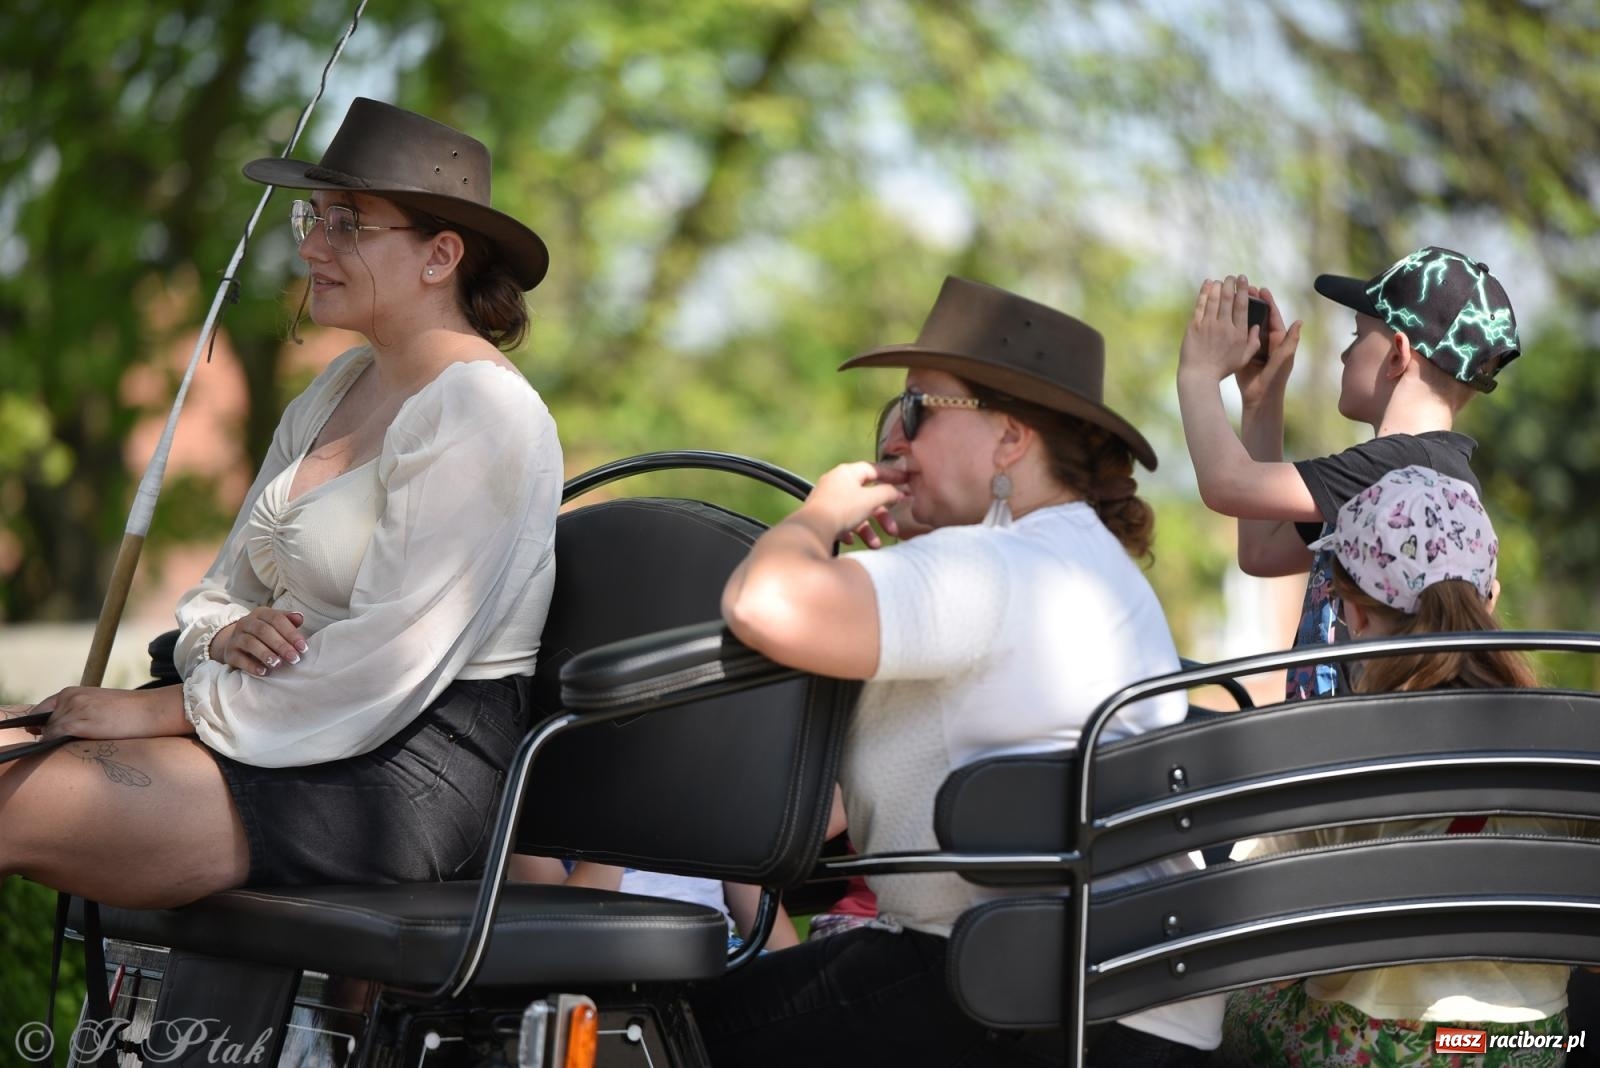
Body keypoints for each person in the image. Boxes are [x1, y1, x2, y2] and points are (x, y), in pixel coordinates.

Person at [0, 97, 561, 905]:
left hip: (397, 770)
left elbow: (387, 659)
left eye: (348, 224)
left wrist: (160, 711)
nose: (309, 247)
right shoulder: (338, 387)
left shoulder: (484, 412)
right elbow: (217, 597)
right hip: (270, 723)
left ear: (440, 255)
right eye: (314, 217)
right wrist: (226, 634)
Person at [690, 276, 1225, 1066]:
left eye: (917, 410)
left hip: (1009, 987)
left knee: (677, 1033)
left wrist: (817, 515)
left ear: (1010, 440)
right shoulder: (1085, 562)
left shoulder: (991, 567)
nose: (895, 440)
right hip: (1125, 996)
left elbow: (764, 604)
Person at [1218, 465, 1588, 1068]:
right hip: (1528, 1046)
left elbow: (1250, 917)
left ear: (1354, 616)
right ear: (1489, 598)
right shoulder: (1569, 743)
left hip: (1369, 1046)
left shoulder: (1334, 746)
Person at [1175, 248, 1521, 700]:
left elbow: (1226, 483)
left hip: (1346, 748)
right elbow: (1261, 552)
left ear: (1397, 354)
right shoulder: (1428, 475)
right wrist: (1263, 402)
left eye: (1357, 337)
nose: (1344, 353)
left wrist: (1197, 374)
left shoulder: (1397, 471)